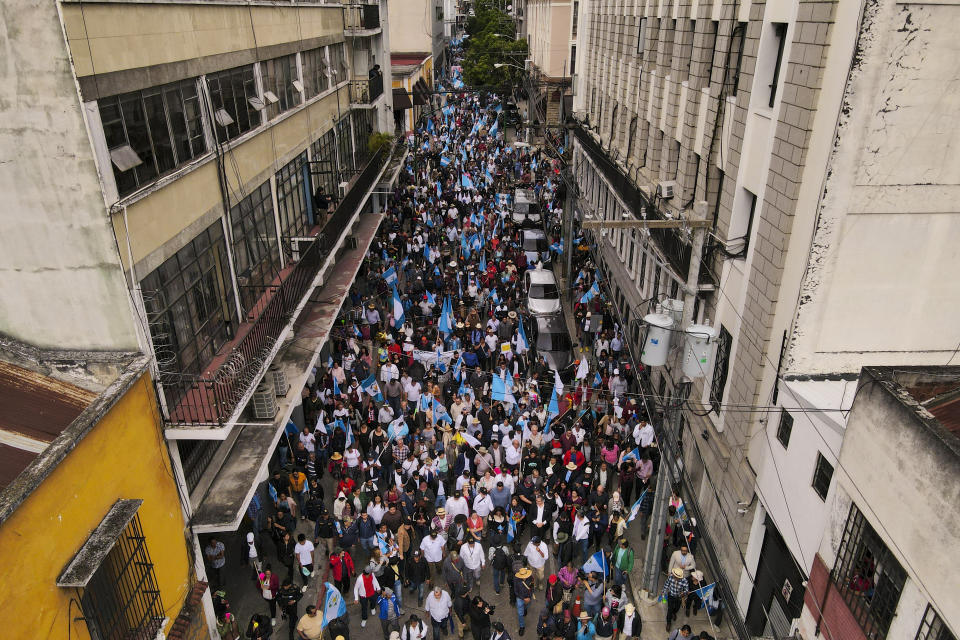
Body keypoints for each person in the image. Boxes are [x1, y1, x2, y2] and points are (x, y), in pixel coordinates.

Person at [514, 565, 534, 636]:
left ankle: (525, 608)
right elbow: (516, 591)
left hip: (528, 597)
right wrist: (523, 598)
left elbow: (532, 588)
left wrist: (529, 597)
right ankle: (522, 627)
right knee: (520, 614)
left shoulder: (531, 578)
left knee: (527, 606)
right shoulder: (516, 579)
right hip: (520, 598)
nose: (524, 577)